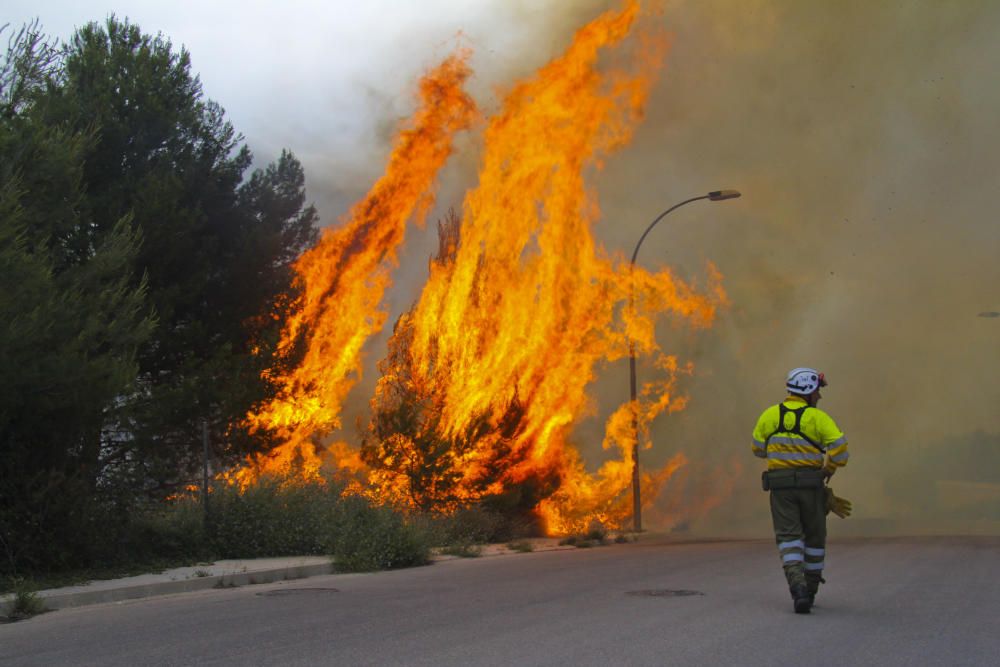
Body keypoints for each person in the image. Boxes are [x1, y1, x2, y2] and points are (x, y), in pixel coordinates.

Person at [751, 367, 849, 614]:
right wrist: (829, 469)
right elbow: (841, 450)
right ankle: (811, 589)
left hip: (781, 488)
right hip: (811, 486)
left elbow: (757, 449)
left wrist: (779, 454)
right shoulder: (819, 418)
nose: (819, 396)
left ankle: (797, 587)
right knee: (814, 538)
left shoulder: (769, 416)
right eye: (817, 391)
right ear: (807, 390)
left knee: (788, 537)